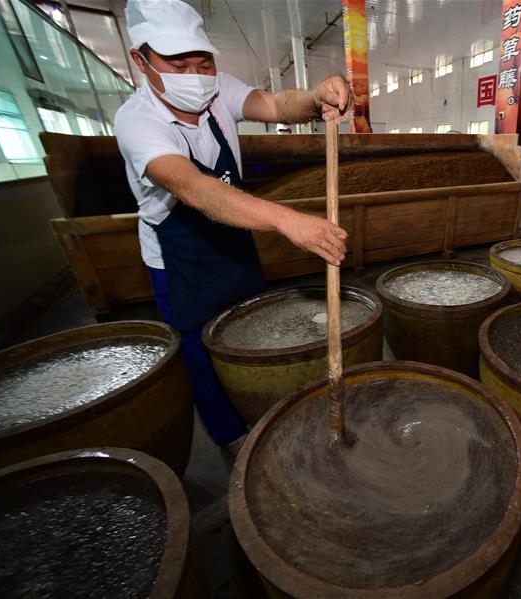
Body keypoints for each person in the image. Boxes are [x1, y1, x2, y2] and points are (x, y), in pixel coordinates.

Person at [115, 0, 351, 453]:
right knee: (201, 352)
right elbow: (192, 188)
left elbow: (280, 105)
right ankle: (233, 439)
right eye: (177, 62)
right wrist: (289, 221)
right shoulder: (137, 121)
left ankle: (263, 407)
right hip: (179, 258)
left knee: (251, 331)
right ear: (141, 60)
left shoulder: (218, 89)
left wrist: (317, 95)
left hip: (234, 237)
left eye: (202, 60)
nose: (195, 73)